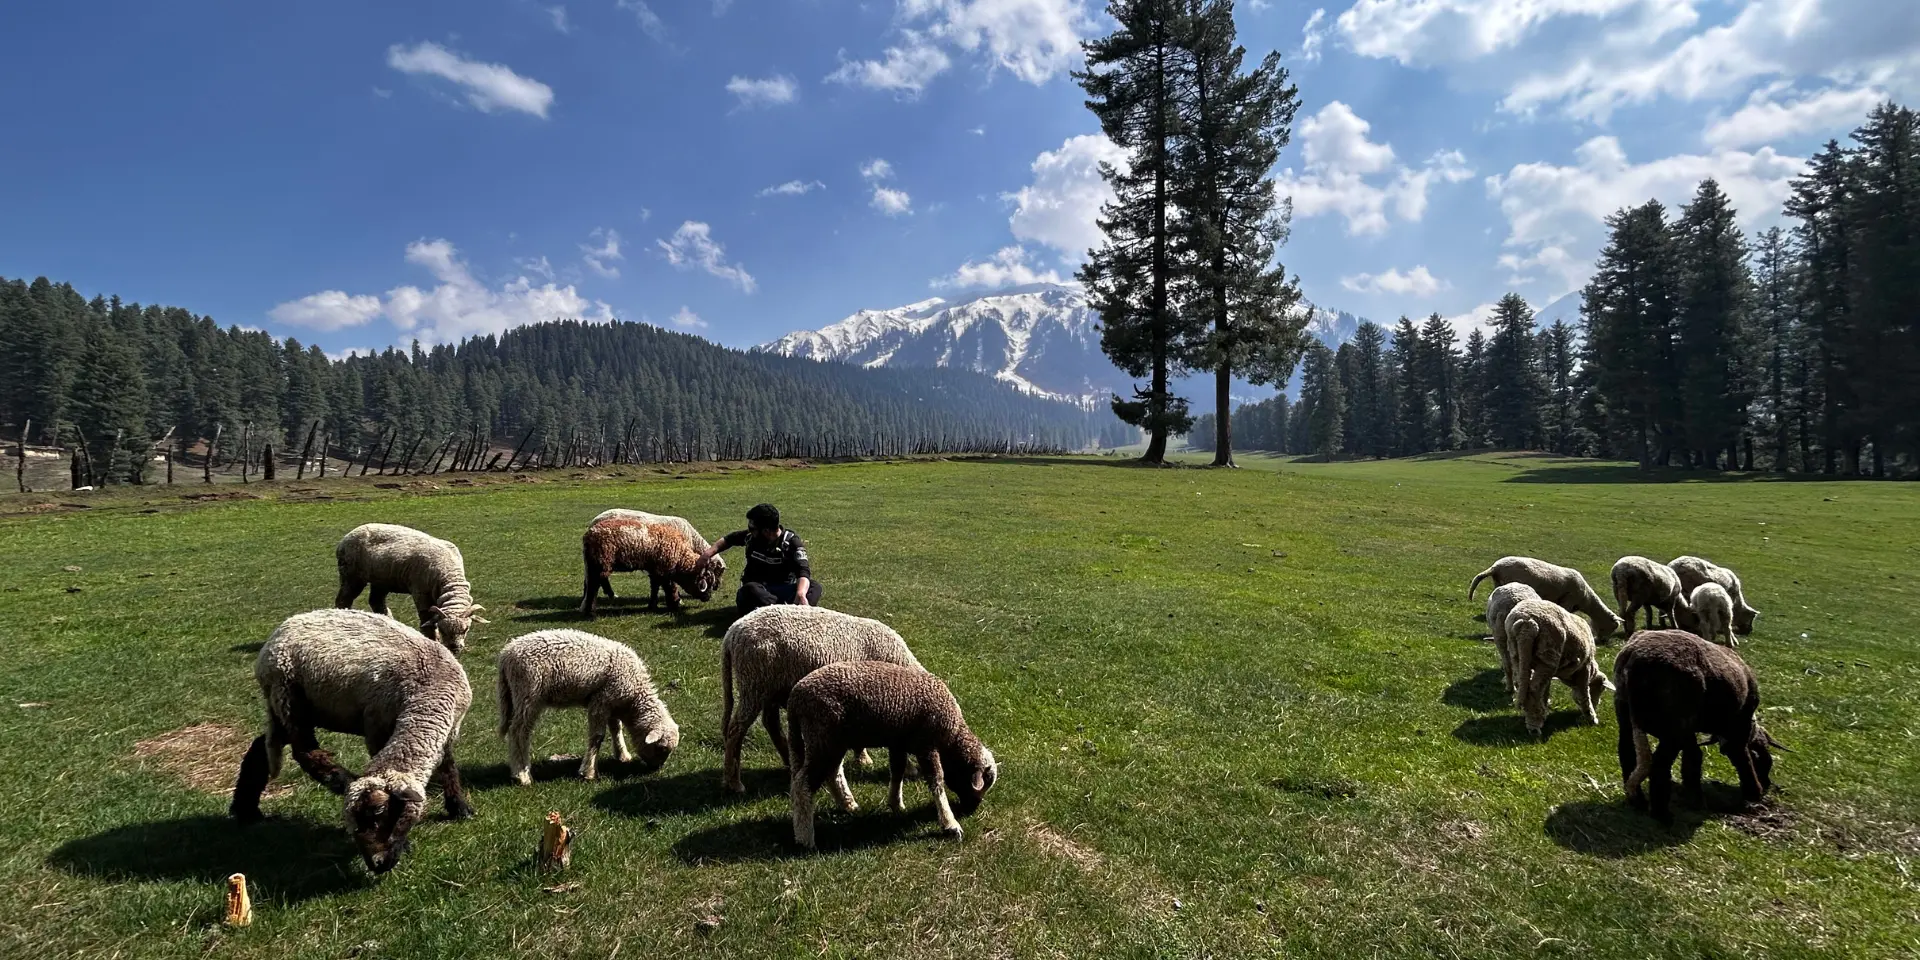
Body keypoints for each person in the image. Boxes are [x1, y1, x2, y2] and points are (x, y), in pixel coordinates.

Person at [699, 503, 822, 613]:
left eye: (752, 528)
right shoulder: (751, 537)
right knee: (749, 589)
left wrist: (800, 593)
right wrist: (707, 554)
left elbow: (803, 570)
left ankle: (782, 610)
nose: (750, 531)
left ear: (766, 531)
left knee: (814, 586)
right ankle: (788, 611)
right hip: (759, 589)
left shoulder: (790, 542)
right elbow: (729, 539)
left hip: (783, 588)